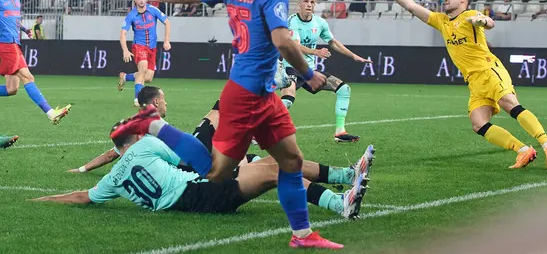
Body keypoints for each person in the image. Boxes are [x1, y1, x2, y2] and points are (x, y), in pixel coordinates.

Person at [121, 0, 341, 249]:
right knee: (216, 172)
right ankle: (155, 125)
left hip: (260, 92)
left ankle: (302, 234)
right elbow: (282, 40)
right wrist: (309, 74)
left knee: (292, 160)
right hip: (246, 93)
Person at [56, 86, 373, 220]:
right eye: (162, 99)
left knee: (276, 162)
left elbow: (83, 196)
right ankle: (341, 204)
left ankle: (346, 176)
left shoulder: (118, 173)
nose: (165, 102)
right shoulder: (148, 143)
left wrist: (64, 186)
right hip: (198, 186)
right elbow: (187, 157)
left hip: (196, 184)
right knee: (273, 169)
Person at [369, 0, 547, 169]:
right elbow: (412, 6)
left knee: (509, 103)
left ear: (463, 0)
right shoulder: (442, 21)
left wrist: (482, 20)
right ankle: (523, 150)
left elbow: (490, 22)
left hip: (489, 70)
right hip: (474, 81)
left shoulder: (470, 15)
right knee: (478, 123)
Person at [278, 0, 371, 142]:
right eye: (306, 1)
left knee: (344, 89)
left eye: (312, 2)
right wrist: (316, 52)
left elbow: (333, 42)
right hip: (292, 66)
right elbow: (295, 46)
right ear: (299, 4)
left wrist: (354, 56)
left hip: (310, 71)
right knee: (288, 99)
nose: (309, 5)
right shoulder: (291, 21)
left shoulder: (320, 23)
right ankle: (258, 131)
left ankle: (340, 133)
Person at [0, 0, 71, 143]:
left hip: (15, 43)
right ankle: (50, 113)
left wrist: (24, 29)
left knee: (12, 89)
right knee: (28, 77)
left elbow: (14, 20)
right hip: (6, 45)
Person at [118, 0, 171, 106]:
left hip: (152, 48)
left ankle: (126, 77)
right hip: (139, 46)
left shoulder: (153, 10)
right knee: (142, 69)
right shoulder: (131, 15)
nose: (141, 1)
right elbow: (123, 33)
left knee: (148, 77)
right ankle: (137, 100)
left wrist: (166, 40)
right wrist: (125, 50)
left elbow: (167, 22)